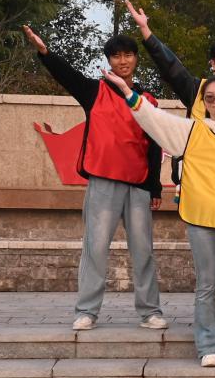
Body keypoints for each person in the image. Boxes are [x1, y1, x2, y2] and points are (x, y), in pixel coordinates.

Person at [104, 69, 215, 368]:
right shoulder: (191, 130)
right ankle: (208, 346)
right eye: (210, 97)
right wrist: (127, 92)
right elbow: (154, 118)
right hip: (199, 217)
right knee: (206, 285)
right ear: (203, 102)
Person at [126, 0, 215, 329]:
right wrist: (146, 32)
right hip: (199, 188)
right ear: (212, 63)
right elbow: (170, 65)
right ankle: (209, 309)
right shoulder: (198, 90)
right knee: (206, 258)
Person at [22, 26, 167, 332]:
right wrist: (45, 52)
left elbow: (154, 146)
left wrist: (155, 187)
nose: (122, 61)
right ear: (109, 61)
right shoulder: (95, 91)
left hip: (139, 183)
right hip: (103, 181)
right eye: (116, 56)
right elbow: (67, 75)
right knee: (95, 248)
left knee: (143, 251)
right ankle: (87, 311)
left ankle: (150, 311)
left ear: (136, 59)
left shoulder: (147, 100)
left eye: (128, 55)